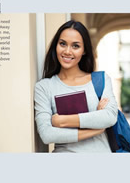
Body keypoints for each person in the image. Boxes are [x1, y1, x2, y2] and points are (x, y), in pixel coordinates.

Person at [34, 20, 118, 153]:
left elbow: (110, 117)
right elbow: (47, 134)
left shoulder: (100, 80)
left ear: (84, 50)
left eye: (75, 46)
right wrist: (98, 128)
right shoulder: (44, 87)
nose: (67, 51)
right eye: (62, 44)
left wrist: (62, 121)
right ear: (56, 46)